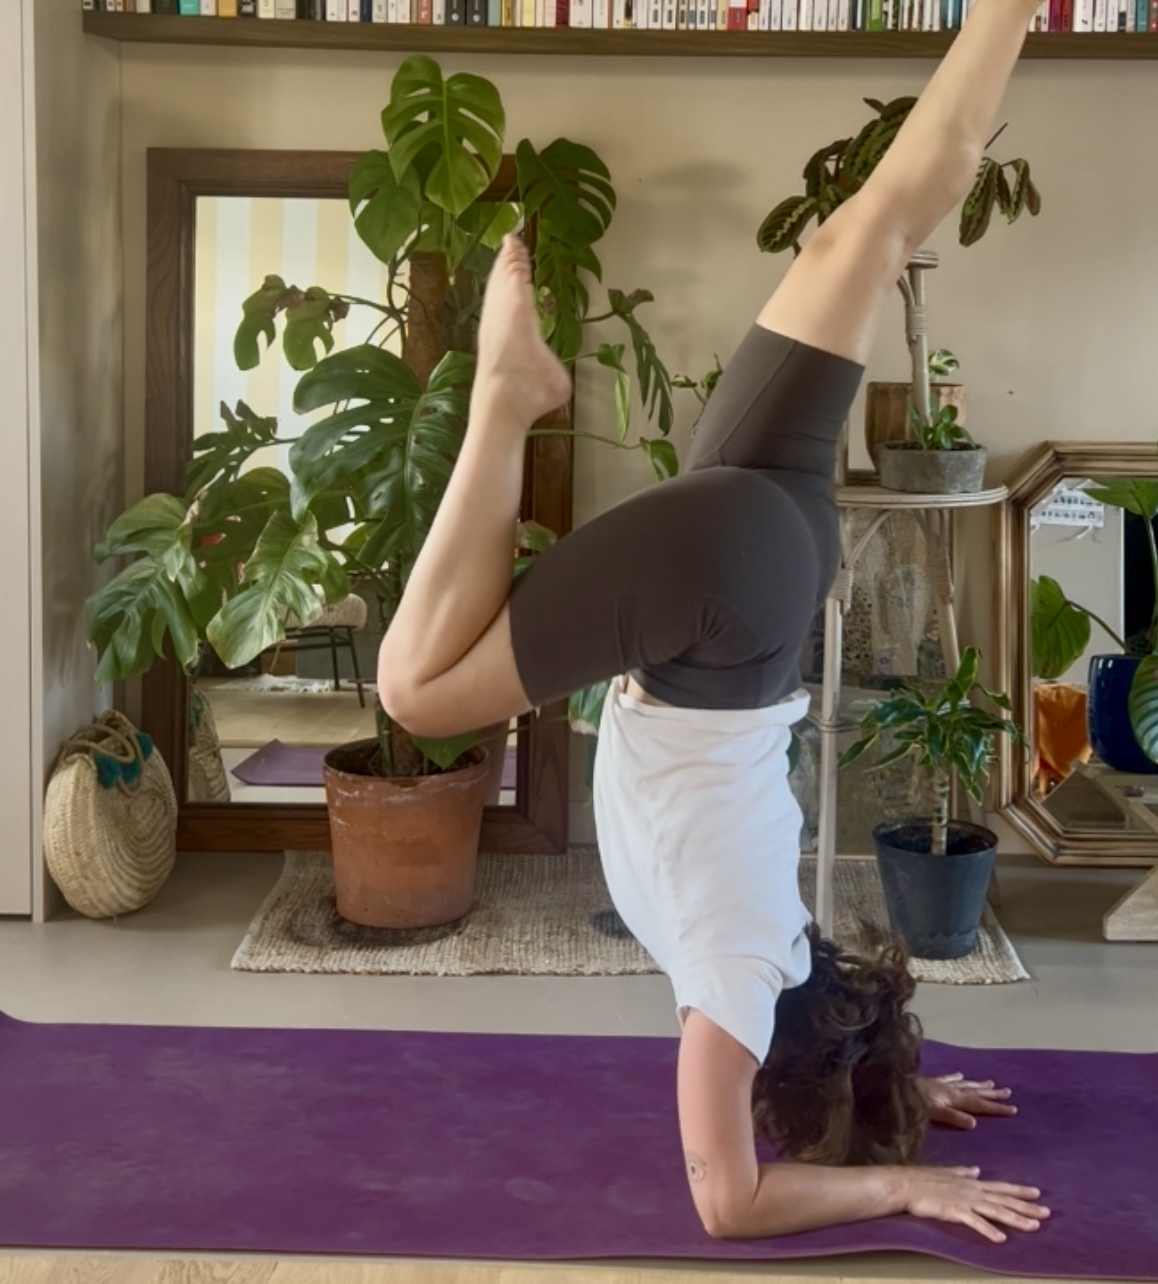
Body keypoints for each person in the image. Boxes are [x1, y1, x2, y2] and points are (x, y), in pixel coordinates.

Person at [378, 0, 1051, 1244]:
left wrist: (899, 1085)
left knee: (868, 232)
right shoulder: (739, 985)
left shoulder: (781, 948)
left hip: (780, 557)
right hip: (716, 607)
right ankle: (507, 401)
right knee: (416, 696)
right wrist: (897, 1176)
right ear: (773, 1077)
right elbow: (728, 1205)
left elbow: (824, 1046)